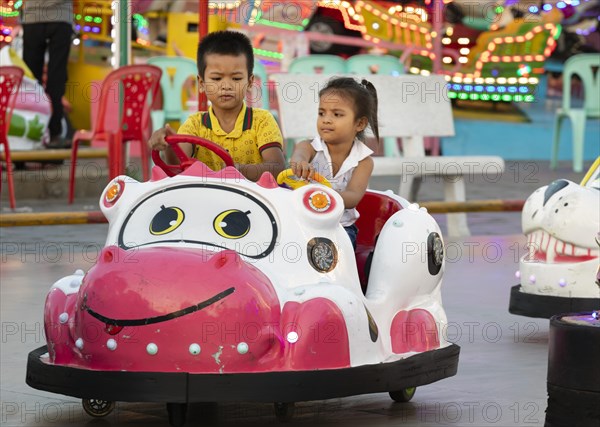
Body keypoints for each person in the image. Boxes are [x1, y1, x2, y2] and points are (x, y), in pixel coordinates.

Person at [149, 30, 285, 181]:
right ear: (201, 84)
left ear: (250, 82)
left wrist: (235, 171)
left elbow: (277, 167)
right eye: (217, 78)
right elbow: (177, 165)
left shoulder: (262, 120)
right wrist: (168, 143)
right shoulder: (194, 125)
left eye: (236, 78)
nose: (226, 85)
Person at [289, 77, 379, 249]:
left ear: (359, 123)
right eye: (322, 113)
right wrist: (300, 163)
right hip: (303, 223)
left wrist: (322, 196)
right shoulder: (310, 147)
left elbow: (353, 197)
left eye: (337, 114)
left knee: (337, 252)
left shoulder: (363, 162)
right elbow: (298, 157)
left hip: (340, 227)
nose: (326, 119)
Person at [20, 0, 73, 148]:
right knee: (57, 76)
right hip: (60, 16)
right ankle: (54, 134)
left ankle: (31, 131)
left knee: (31, 80)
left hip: (32, 17)